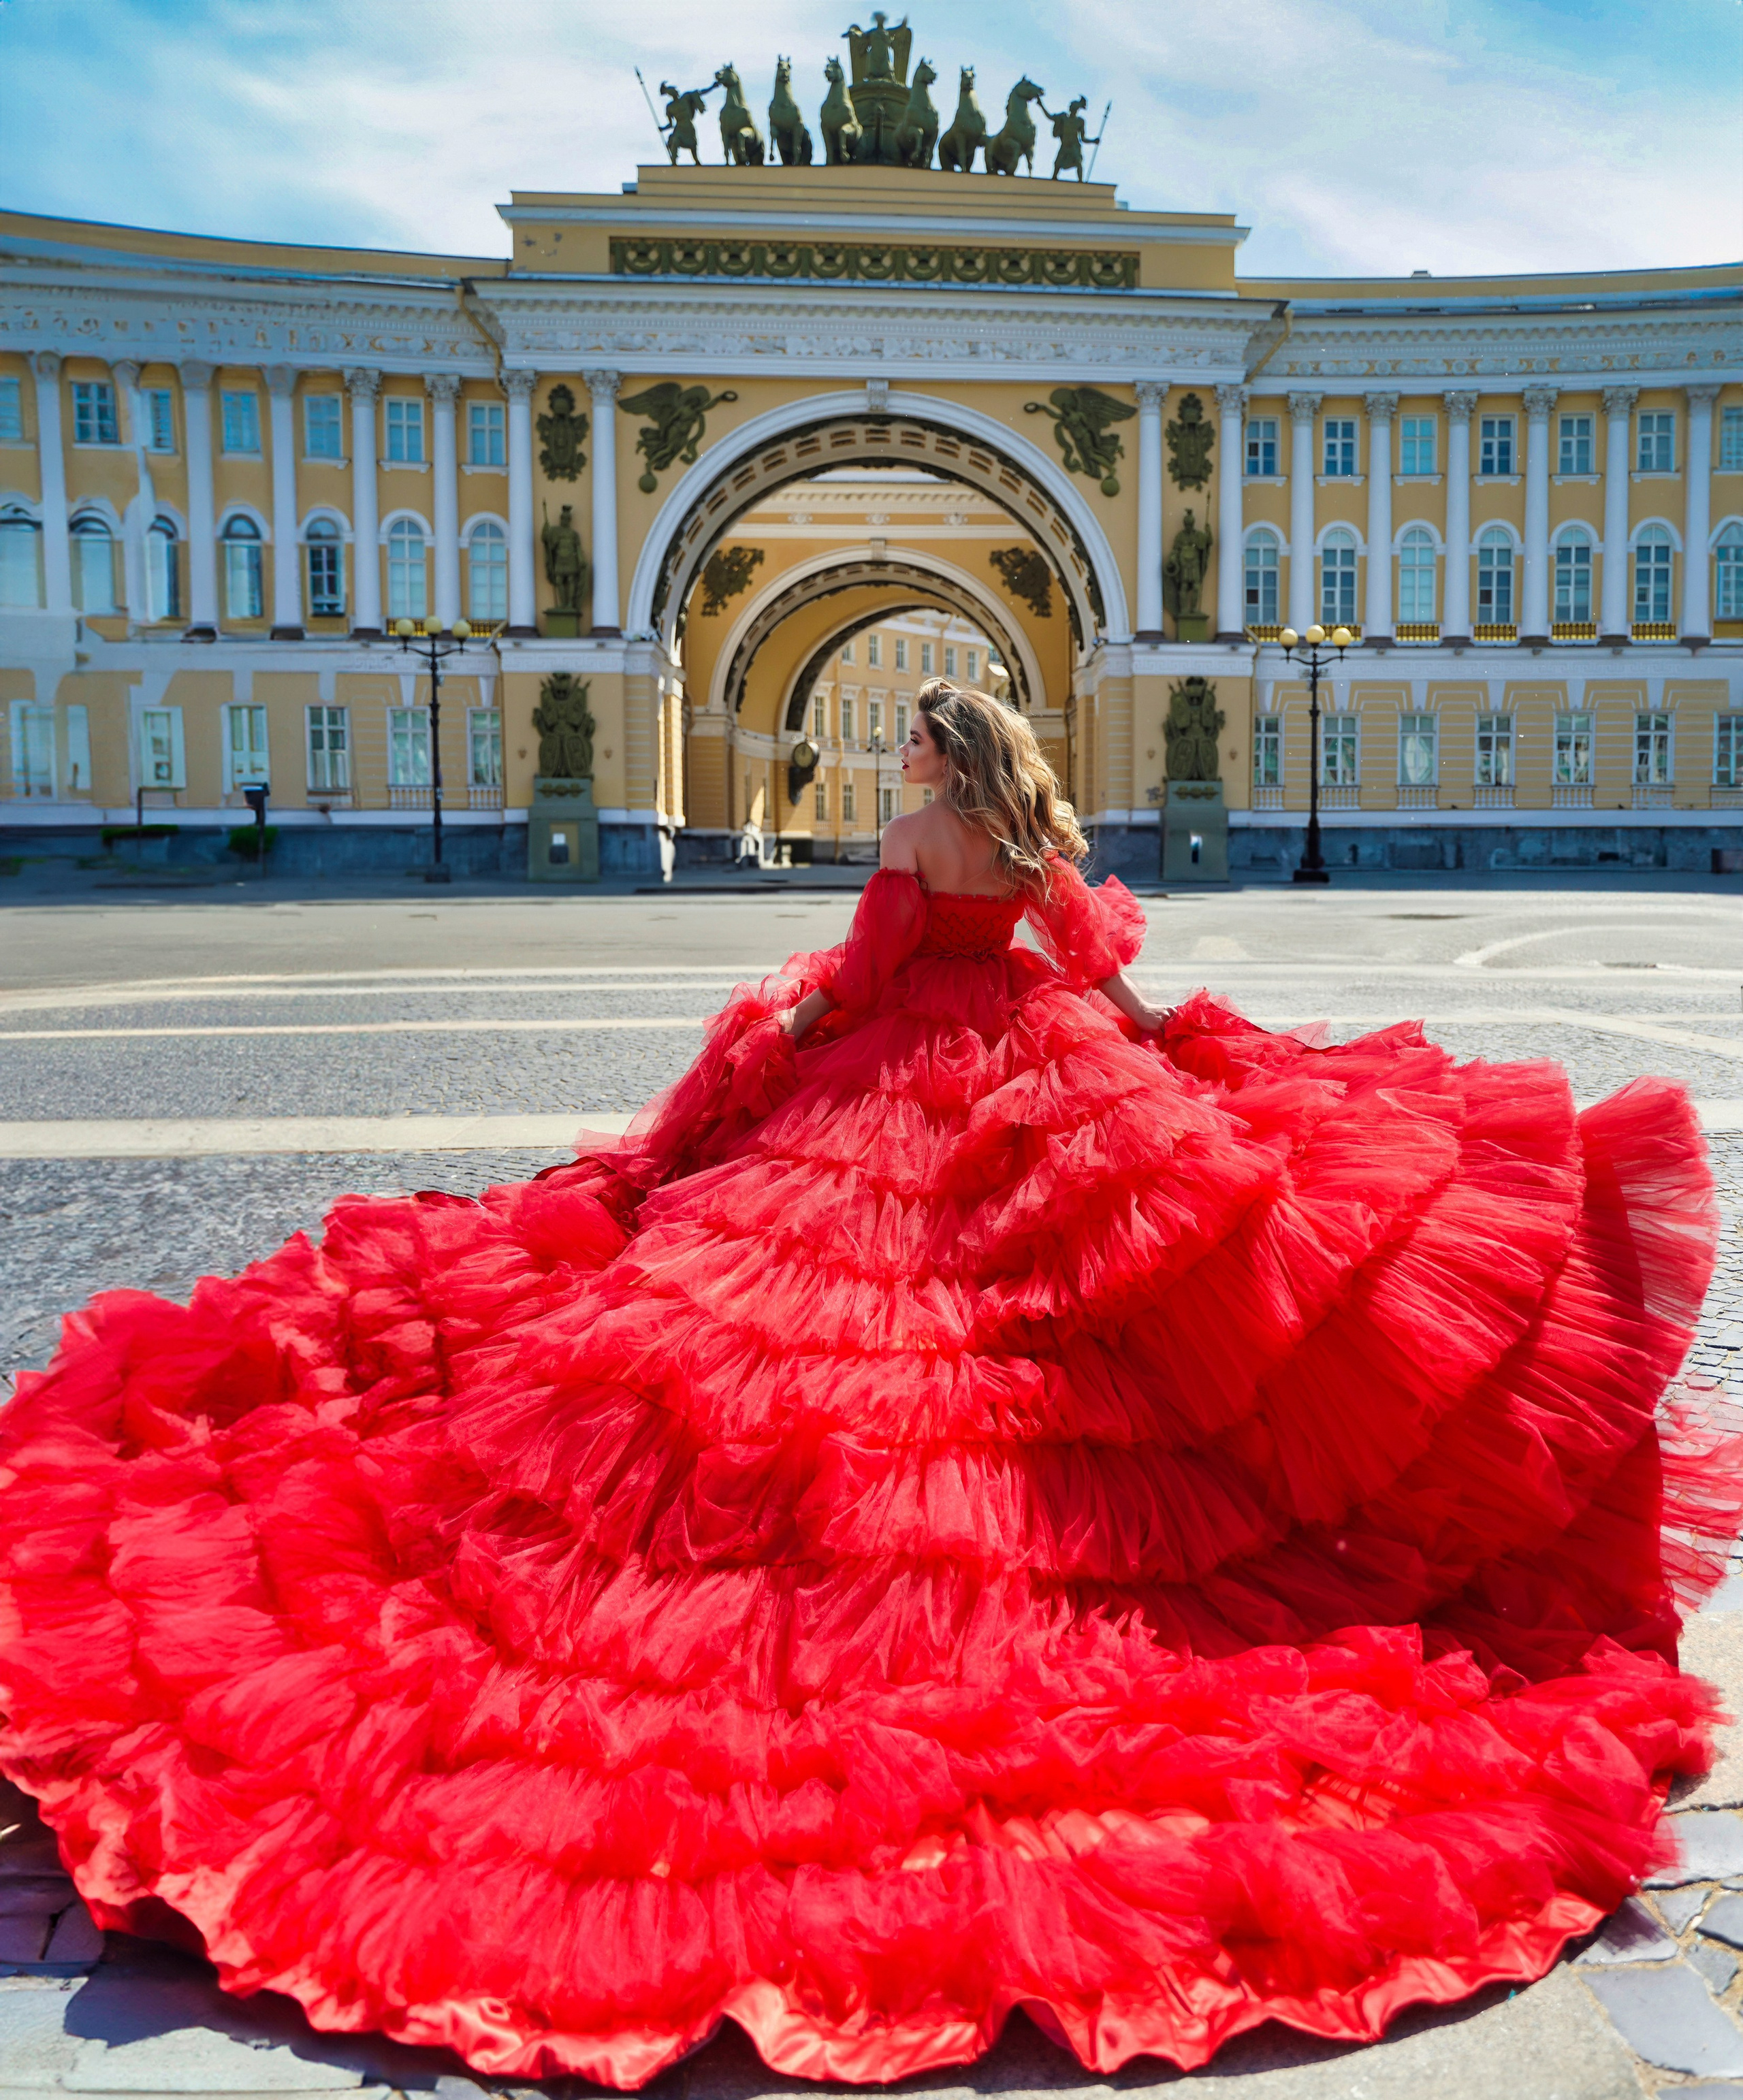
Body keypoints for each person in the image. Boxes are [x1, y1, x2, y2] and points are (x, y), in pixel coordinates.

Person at [0, 680, 1731, 2090]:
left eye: (908, 743)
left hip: (896, 1086)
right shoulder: (1042, 835)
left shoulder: (911, 837)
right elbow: (1101, 984)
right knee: (1045, 1347)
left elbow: (870, 980)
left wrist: (772, 1052)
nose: (897, 765)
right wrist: (1183, 1057)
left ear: (936, 758)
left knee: (820, 1340)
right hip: (1036, 1068)